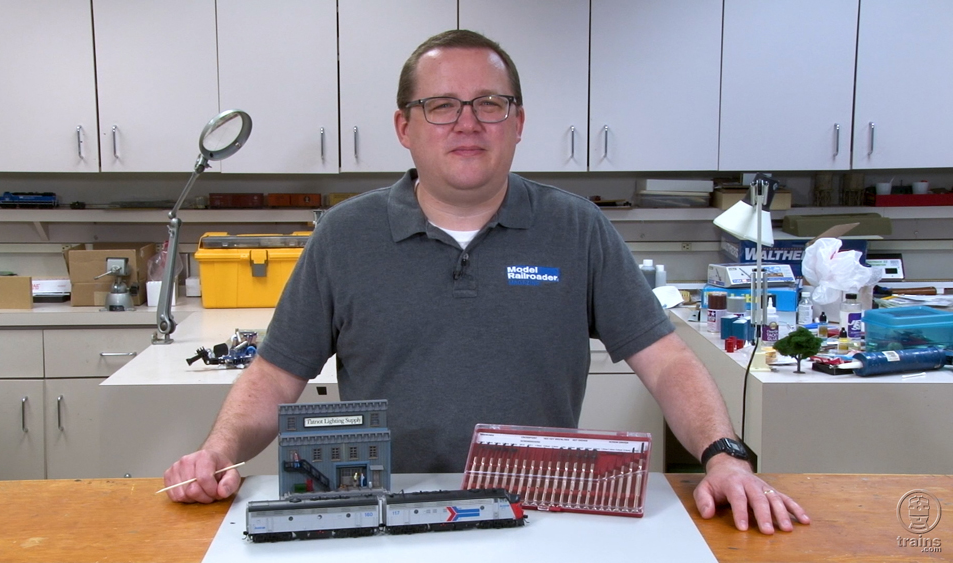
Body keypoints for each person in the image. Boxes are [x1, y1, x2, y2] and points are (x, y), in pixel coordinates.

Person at [164, 29, 809, 535]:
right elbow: (275, 374)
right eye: (440, 105)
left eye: (490, 105)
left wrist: (724, 455)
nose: (466, 123)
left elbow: (666, 359)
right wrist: (218, 451)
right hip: (387, 515)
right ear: (404, 128)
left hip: (542, 511)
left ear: (519, 123)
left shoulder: (576, 229)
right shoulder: (344, 237)